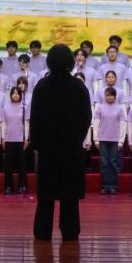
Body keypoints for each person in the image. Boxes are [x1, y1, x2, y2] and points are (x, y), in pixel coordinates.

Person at [30, 44, 92, 241]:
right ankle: (70, 232)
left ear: (49, 61)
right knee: (70, 197)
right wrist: (77, 139)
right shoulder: (79, 87)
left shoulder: (42, 86)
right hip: (71, 150)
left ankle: (42, 232)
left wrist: (37, 144)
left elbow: (35, 118)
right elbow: (86, 117)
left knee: (45, 197)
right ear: (71, 62)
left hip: (48, 150)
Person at [86, 86, 125, 195]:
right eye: (107, 95)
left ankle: (113, 186)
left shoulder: (120, 108)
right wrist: (96, 139)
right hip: (102, 139)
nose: (109, 97)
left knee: (113, 162)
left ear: (115, 96)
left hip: (115, 139)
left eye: (111, 95)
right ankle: (104, 186)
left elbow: (122, 125)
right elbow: (96, 123)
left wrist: (121, 140)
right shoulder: (100, 108)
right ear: (104, 96)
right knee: (103, 163)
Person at [2, 87, 31, 195]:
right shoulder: (6, 108)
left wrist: (26, 138)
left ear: (20, 95)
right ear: (10, 95)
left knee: (21, 165)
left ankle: (22, 186)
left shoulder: (24, 108)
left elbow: (26, 123)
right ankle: (8, 187)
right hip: (9, 139)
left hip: (20, 139)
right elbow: (4, 123)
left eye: (17, 93)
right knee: (8, 165)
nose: (15, 95)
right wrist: (3, 138)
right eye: (13, 93)